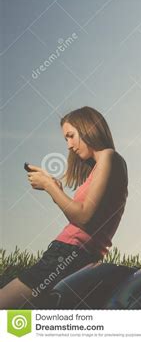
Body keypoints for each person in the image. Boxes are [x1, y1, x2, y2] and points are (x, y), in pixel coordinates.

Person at [0, 106, 128, 308]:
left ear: (88, 128)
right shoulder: (101, 165)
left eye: (71, 136)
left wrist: (50, 186)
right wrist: (56, 191)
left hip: (69, 254)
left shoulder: (108, 156)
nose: (69, 145)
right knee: (28, 319)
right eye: (65, 139)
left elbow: (84, 217)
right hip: (75, 255)